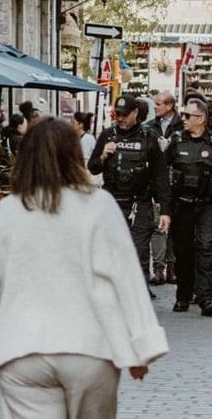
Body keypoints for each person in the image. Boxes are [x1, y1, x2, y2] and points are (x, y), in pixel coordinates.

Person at [0, 116, 166, 416]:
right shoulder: (99, 206)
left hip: (21, 350)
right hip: (90, 347)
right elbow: (126, 276)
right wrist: (142, 346)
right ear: (74, 155)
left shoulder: (8, 212)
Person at [158, 95, 212, 315]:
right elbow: (162, 171)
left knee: (205, 247)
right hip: (182, 205)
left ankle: (206, 297)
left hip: (208, 205)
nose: (182, 118)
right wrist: (165, 207)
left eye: (187, 115)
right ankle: (183, 295)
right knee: (183, 250)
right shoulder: (176, 140)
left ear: (200, 118)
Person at [90, 96, 165, 292]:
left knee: (139, 250)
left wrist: (165, 209)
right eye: (117, 115)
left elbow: (160, 176)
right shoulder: (108, 135)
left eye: (124, 115)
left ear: (135, 113)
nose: (120, 119)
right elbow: (93, 167)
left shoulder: (149, 137)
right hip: (113, 201)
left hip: (139, 202)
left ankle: (140, 292)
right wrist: (103, 155)